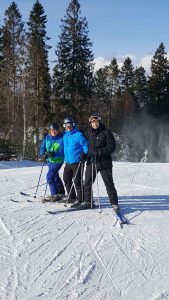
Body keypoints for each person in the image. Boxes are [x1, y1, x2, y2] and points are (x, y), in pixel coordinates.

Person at [74, 113, 119, 211]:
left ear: (99, 122)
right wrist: (84, 155)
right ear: (90, 123)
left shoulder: (106, 132)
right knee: (87, 182)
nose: (95, 124)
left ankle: (114, 203)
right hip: (92, 161)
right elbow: (85, 145)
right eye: (93, 122)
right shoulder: (88, 132)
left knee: (109, 183)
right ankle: (88, 201)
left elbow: (112, 147)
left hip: (104, 162)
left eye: (96, 121)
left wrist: (99, 152)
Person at [62, 116, 88, 204]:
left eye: (69, 125)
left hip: (78, 161)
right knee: (66, 179)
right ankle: (71, 196)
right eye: (66, 125)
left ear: (73, 125)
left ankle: (81, 198)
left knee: (77, 180)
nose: (68, 127)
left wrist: (84, 154)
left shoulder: (78, 134)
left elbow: (85, 145)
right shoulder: (65, 136)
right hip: (68, 162)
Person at [40, 122, 65, 201]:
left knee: (49, 177)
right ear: (49, 131)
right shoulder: (47, 138)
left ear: (58, 131)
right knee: (55, 176)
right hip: (50, 161)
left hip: (58, 161)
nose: (53, 132)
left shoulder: (61, 138)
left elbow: (62, 150)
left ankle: (54, 194)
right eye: (52, 130)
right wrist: (43, 154)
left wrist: (53, 153)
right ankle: (61, 192)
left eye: (55, 130)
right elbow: (42, 148)